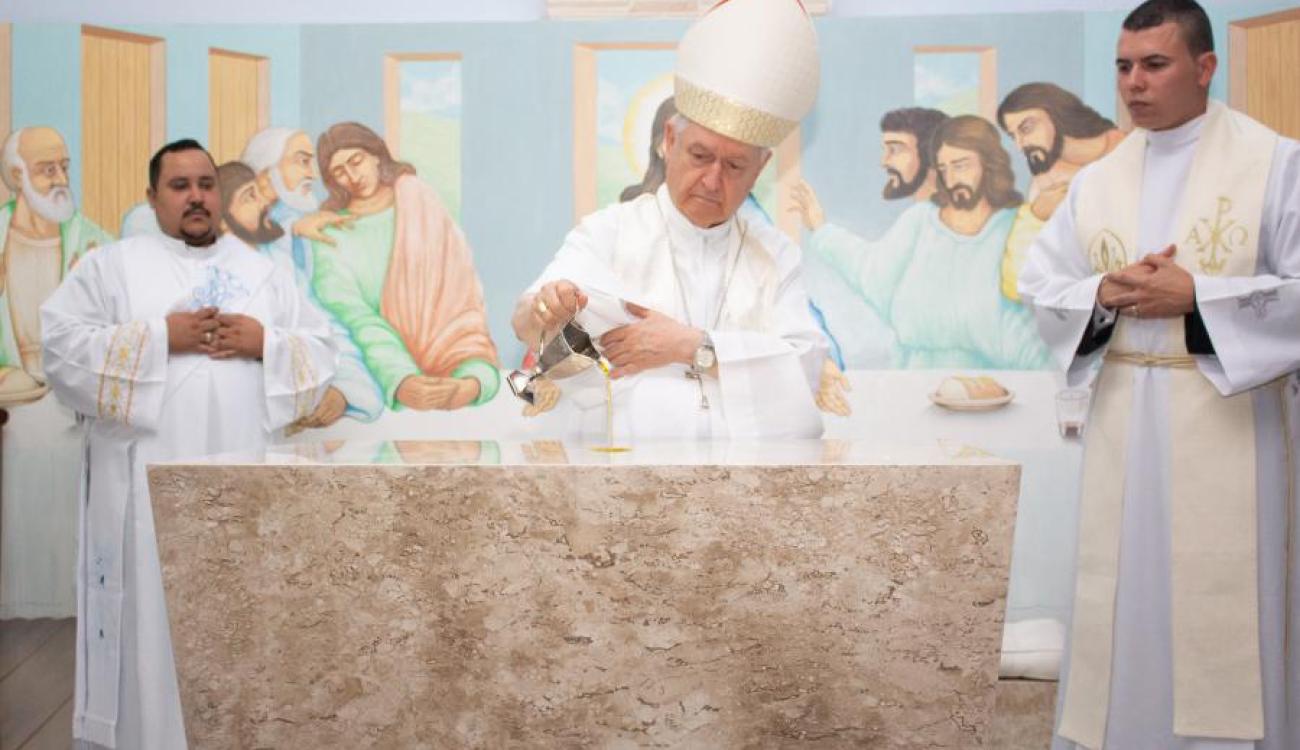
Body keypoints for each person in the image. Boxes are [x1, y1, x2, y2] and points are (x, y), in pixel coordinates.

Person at [1018, 1, 1299, 747]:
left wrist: (1198, 297)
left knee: (1223, 608)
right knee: (1122, 601)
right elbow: (1040, 285)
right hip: (1122, 427)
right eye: (1123, 67)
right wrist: (1102, 292)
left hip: (1229, 424)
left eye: (1154, 65)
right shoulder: (1099, 180)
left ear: (1205, 68)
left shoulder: (1276, 164)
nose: (1134, 83)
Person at [40, 139, 336, 749]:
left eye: (205, 184)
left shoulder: (263, 273)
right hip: (141, 494)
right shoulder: (112, 268)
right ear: (153, 197)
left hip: (242, 487)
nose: (197, 197)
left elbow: (321, 351)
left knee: (239, 615)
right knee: (149, 616)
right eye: (180, 186)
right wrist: (158, 338)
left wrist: (265, 344)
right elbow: (60, 349)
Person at [512, 0, 826, 441]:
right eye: (700, 155)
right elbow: (527, 321)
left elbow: (804, 368)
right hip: (623, 471)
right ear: (670, 140)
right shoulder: (610, 232)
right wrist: (546, 308)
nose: (713, 180)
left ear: (761, 168)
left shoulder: (776, 257)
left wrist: (692, 346)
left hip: (740, 475)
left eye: (735, 166)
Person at [799, 114, 1050, 369]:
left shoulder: (1016, 226)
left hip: (1002, 384)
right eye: (944, 169)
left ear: (989, 164)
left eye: (961, 166)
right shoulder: (920, 221)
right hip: (916, 381)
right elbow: (870, 269)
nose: (951, 179)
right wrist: (821, 230)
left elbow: (1032, 325)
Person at [0, 126, 114, 619]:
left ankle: (67, 608)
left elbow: (120, 332)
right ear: (15, 175)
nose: (61, 178)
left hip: (74, 399)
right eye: (47, 169)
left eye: (64, 166)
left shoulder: (95, 244)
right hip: (12, 400)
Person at [309, 121, 500, 414]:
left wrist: (473, 382)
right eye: (339, 172)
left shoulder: (419, 203)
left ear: (376, 155)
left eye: (356, 161)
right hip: (379, 385)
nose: (352, 176)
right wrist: (400, 379)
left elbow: (461, 299)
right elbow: (355, 318)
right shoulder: (331, 235)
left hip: (453, 376)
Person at [997, 83, 1126, 300]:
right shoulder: (1046, 183)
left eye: (1026, 128)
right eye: (1013, 136)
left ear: (1058, 113)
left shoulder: (1128, 150)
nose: (1020, 145)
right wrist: (1036, 215)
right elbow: (1019, 284)